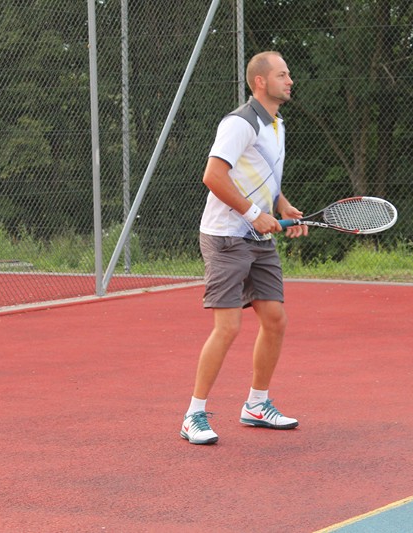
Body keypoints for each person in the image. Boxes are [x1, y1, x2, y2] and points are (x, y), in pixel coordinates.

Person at [181, 51, 308, 445]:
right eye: (282, 75)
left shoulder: (276, 125)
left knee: (275, 319)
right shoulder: (239, 123)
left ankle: (256, 405)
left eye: (289, 74)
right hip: (226, 237)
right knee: (228, 327)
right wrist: (254, 213)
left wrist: (282, 205)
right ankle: (193, 415)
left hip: (259, 239)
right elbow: (213, 176)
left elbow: (262, 175)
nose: (290, 81)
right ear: (260, 82)